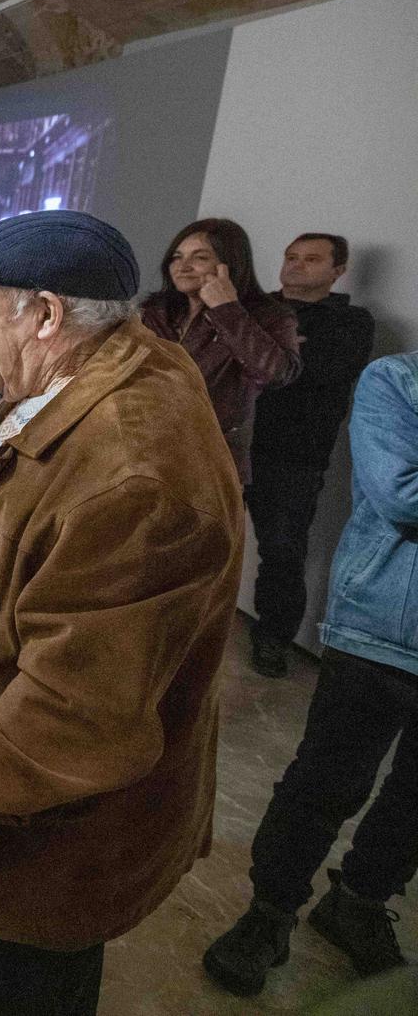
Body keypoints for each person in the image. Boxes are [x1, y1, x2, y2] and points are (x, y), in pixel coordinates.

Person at [0, 210, 243, 1016]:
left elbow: (78, 709)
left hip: (27, 848)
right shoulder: (92, 377)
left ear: (45, 313)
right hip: (14, 815)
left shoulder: (131, 468)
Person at [203, 350, 418, 998]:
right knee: (327, 780)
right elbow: (399, 492)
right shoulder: (398, 379)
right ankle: (268, 912)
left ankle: (358, 899)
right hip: (383, 622)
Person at [243, 233, 376, 677]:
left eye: (311, 259)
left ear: (338, 270)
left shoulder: (351, 322)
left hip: (292, 456)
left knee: (282, 553)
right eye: (291, 257)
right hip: (228, 439)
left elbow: (309, 372)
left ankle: (272, 640)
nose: (296, 266)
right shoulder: (251, 308)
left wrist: (266, 350)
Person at [139, 218, 301, 485]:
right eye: (176, 257)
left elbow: (275, 374)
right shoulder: (153, 312)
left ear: (229, 264)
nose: (183, 266)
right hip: (139, 451)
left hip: (208, 463)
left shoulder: (267, 315)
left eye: (199, 257)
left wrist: (226, 309)